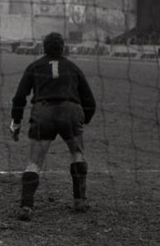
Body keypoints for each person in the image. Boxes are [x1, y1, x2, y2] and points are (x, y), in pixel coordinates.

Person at [9, 32, 96, 221]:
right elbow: (90, 100)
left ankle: (26, 206)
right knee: (77, 152)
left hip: (43, 112)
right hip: (70, 111)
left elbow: (19, 97)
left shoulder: (34, 66)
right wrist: (83, 120)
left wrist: (16, 122)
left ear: (44, 47)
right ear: (63, 48)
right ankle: (80, 200)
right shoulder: (73, 67)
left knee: (34, 162)